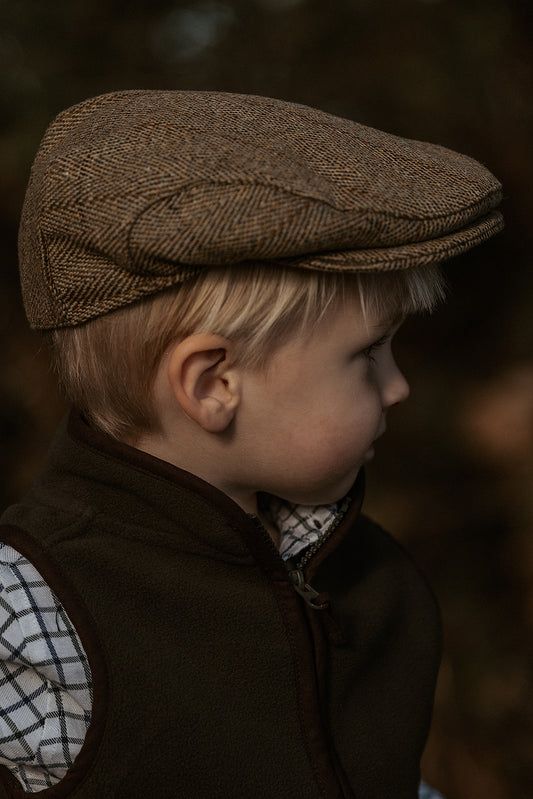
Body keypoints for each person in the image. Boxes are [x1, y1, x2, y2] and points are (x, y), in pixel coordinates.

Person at [0, 90, 503, 798]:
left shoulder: (366, 577)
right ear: (212, 384)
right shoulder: (30, 619)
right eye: (367, 355)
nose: (398, 388)